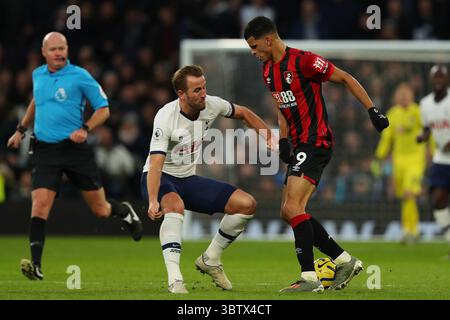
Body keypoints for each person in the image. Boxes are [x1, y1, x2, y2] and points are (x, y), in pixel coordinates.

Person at [244, 16, 389, 292]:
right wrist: (284, 139)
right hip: (298, 144)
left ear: (268, 39)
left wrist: (372, 109)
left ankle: (310, 278)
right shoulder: (267, 70)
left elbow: (345, 78)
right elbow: (282, 106)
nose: (253, 52)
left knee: (291, 208)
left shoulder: (304, 61)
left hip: (316, 140)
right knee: (288, 212)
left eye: (254, 46)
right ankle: (344, 260)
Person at [6, 32, 143, 281]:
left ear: (67, 49)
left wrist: (86, 129)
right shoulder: (38, 75)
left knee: (100, 209)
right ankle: (35, 266)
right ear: (43, 52)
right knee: (39, 205)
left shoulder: (80, 76)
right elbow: (37, 101)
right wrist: (20, 130)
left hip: (74, 149)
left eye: (63, 48)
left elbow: (104, 109)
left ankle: (123, 211)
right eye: (54, 49)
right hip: (45, 150)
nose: (59, 53)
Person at [141, 65, 276, 294]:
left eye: (204, 87)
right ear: (181, 94)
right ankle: (175, 279)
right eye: (196, 90)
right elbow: (155, 164)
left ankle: (211, 258)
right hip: (160, 177)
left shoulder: (212, 104)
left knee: (246, 205)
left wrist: (269, 138)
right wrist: (154, 200)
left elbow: (243, 113)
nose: (203, 94)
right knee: (175, 205)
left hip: (187, 179)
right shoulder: (165, 117)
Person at [373, 83, 427, 244]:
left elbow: (428, 132)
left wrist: (433, 150)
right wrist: (379, 157)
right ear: (396, 97)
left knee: (409, 192)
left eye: (406, 94)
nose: (403, 96)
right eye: (400, 94)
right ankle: (410, 231)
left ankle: (411, 230)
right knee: (405, 197)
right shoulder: (393, 114)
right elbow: (387, 139)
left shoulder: (418, 112)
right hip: (399, 160)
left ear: (411, 96)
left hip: (416, 159)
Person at [417, 65, 450, 258]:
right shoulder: (425, 103)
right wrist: (423, 136)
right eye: (435, 77)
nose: (438, 80)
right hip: (440, 160)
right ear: (431, 80)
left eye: (442, 77)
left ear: (447, 80)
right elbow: (427, 128)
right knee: (438, 200)